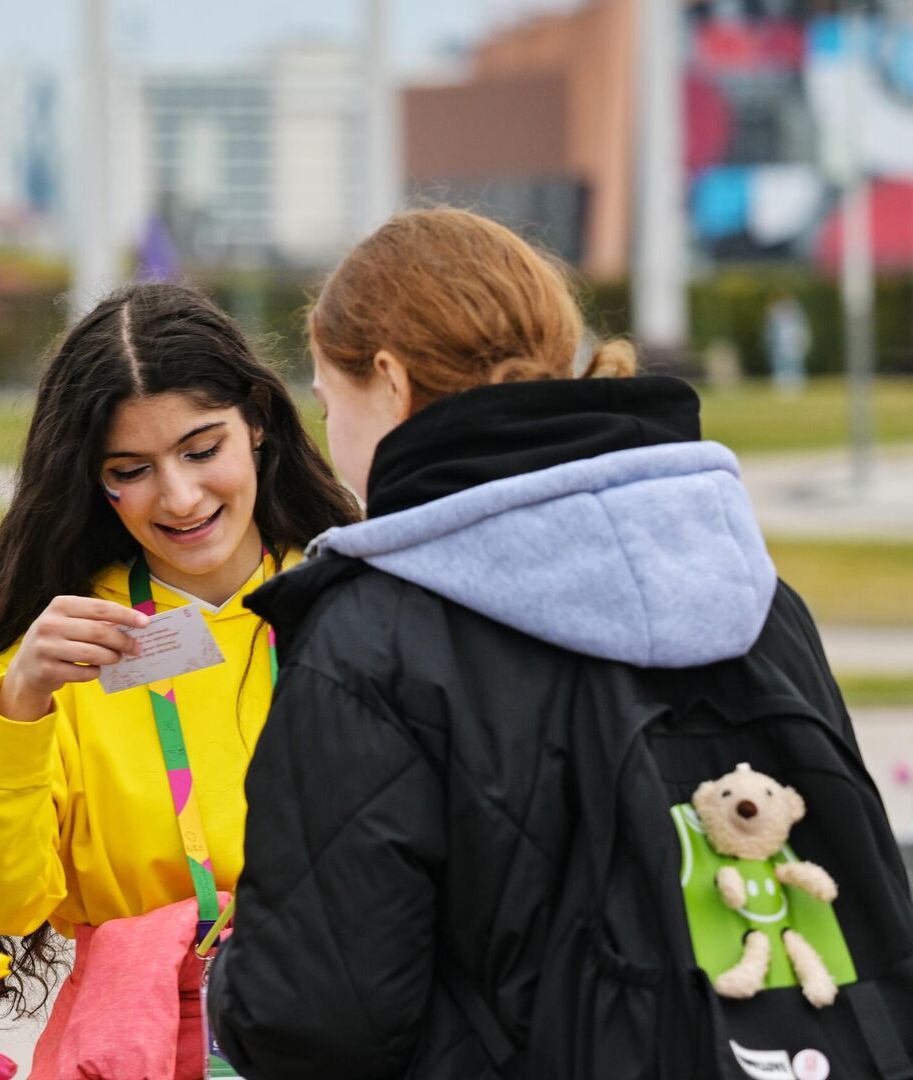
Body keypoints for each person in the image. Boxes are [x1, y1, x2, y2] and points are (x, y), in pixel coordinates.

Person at [208, 208, 912, 1076]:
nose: (333, 438)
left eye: (327, 401)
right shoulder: (752, 589)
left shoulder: (372, 633)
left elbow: (315, 1017)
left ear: (387, 381)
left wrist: (223, 980)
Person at [0, 283, 360, 1072]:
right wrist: (18, 704)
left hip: (358, 1031)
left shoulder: (359, 606)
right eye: (132, 469)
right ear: (93, 480)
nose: (181, 497)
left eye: (202, 450)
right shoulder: (57, 659)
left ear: (258, 422)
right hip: (142, 1052)